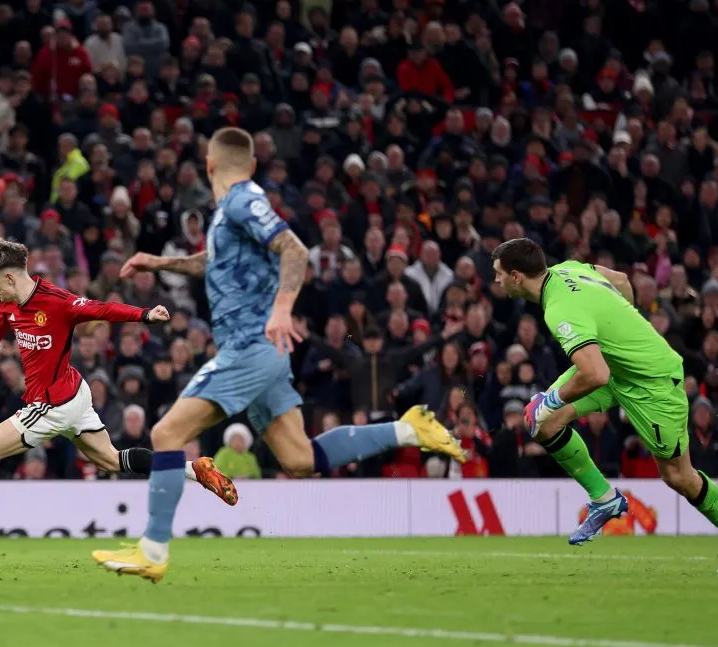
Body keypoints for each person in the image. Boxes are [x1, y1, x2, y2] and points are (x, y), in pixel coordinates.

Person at [94, 127, 465, 582]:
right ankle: (408, 429)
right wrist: (160, 262)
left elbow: (295, 249)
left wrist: (283, 308)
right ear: (250, 164)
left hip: (249, 347)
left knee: (167, 431)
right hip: (263, 354)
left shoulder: (242, 200)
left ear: (209, 165)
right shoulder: (230, 212)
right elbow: (215, 262)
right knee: (299, 458)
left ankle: (152, 550)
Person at [0, 239, 233, 562]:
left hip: (52, 405)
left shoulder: (57, 301)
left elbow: (101, 309)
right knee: (111, 460)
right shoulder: (9, 306)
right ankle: (194, 470)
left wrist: (144, 314)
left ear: (10, 277)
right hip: (74, 394)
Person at [491, 238, 718, 573]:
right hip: (614, 367)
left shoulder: (559, 308)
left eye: (499, 273)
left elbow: (595, 374)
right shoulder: (568, 269)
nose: (496, 280)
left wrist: (550, 400)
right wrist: (623, 328)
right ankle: (604, 499)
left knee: (677, 475)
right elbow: (622, 280)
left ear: (516, 276)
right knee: (542, 422)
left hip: (652, 382)